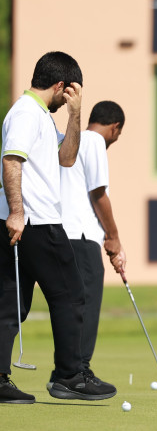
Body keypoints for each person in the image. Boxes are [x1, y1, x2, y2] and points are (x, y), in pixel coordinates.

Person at [0, 51, 117, 404]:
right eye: (70, 94)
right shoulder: (26, 113)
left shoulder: (40, 116)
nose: (69, 100)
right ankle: (69, 376)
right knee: (71, 295)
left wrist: (76, 115)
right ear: (61, 86)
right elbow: (11, 160)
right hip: (35, 221)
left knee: (11, 303)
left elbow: (66, 159)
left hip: (25, 222)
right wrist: (17, 212)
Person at [60, 100, 126, 378]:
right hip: (82, 236)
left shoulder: (67, 140)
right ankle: (78, 371)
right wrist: (113, 238)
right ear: (115, 127)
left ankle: (66, 372)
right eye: (118, 135)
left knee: (69, 306)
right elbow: (98, 193)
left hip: (58, 234)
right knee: (86, 304)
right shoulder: (95, 141)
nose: (114, 140)